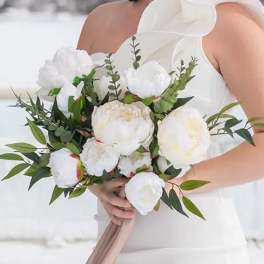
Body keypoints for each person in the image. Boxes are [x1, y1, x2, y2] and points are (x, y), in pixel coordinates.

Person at [78, 0, 264, 263]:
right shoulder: (99, 20)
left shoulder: (227, 19)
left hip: (197, 247)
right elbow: (80, 136)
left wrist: (176, 184)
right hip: (113, 243)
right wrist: (96, 183)